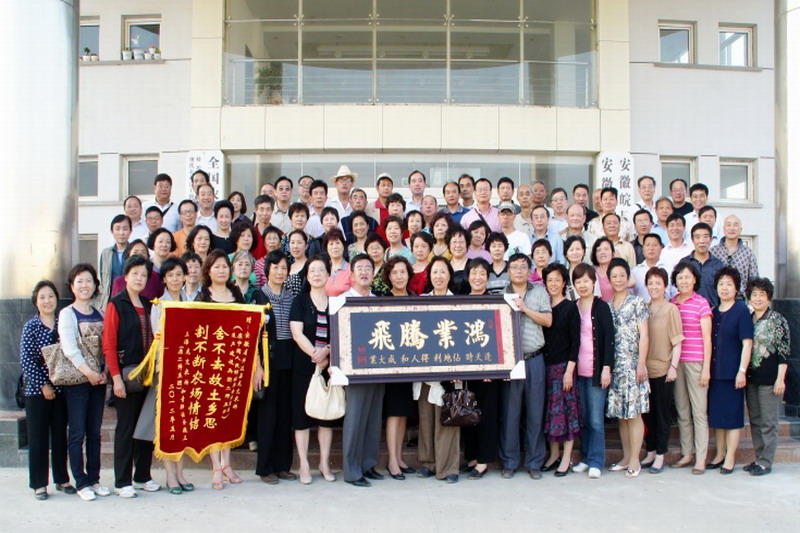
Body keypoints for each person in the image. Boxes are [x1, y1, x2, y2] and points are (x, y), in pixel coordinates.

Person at [133, 257, 194, 494]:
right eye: (171, 275)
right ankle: (170, 475)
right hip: (167, 369)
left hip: (188, 371)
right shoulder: (158, 305)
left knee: (182, 425)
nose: (175, 279)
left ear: (185, 277)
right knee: (167, 425)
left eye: (179, 274)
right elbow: (160, 338)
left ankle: (181, 473)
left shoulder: (191, 302)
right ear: (164, 279)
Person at [103, 256, 159, 498]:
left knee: (145, 426)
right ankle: (122, 480)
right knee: (125, 428)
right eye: (135, 273)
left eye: (143, 275)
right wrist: (116, 379)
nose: (139, 278)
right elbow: (109, 344)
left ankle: (142, 475)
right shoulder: (116, 304)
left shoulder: (148, 304)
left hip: (147, 376)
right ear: (125, 276)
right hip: (126, 376)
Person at [498, 254, 553, 480]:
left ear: (530, 271)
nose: (519, 271)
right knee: (510, 413)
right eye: (514, 267)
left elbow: (548, 321)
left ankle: (534, 462)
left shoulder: (539, 292)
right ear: (508, 271)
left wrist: (524, 308)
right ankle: (509, 461)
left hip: (534, 359)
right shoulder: (501, 294)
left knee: (535, 413)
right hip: (510, 361)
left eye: (523, 267)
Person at [58, 264, 110, 501]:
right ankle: (81, 482)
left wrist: (104, 372)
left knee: (94, 434)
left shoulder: (100, 313)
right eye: (79, 281)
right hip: (78, 381)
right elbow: (69, 348)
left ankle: (94, 479)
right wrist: (89, 373)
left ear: (95, 285)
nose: (84, 285)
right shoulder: (67, 314)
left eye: (88, 280)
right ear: (72, 286)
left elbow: (106, 346)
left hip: (98, 380)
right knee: (77, 433)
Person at [195, 250, 246, 490]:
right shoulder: (202, 296)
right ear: (208, 270)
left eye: (225, 266)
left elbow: (248, 327)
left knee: (228, 415)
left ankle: (227, 463)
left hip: (234, 362)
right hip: (209, 364)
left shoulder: (236, 294)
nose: (221, 270)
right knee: (212, 415)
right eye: (216, 266)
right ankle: (216, 466)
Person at [20, 280, 74, 500]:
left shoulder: (63, 323)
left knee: (60, 436)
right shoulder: (31, 327)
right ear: (36, 301)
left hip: (62, 389)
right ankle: (39, 484)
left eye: (51, 296)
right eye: (42, 297)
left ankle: (62, 479)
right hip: (37, 392)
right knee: (38, 438)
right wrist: (44, 386)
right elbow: (27, 361)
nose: (47, 301)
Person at [337, 254, 386, 487]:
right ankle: (352, 470)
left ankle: (368, 464)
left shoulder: (379, 301)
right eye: (360, 268)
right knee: (355, 419)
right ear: (352, 274)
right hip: (354, 370)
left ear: (373, 274)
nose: (365, 272)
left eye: (368, 268)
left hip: (377, 367)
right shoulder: (343, 300)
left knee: (373, 418)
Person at [290, 255, 339, 485]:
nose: (317, 274)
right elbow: (297, 333)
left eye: (321, 270)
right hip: (303, 366)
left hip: (329, 367)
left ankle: (324, 462)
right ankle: (304, 464)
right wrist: (315, 355)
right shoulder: (299, 301)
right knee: (302, 417)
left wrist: (327, 351)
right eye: (312, 271)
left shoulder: (335, 302)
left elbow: (340, 331)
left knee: (326, 416)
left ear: (328, 274)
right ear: (307, 276)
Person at [415, 256, 461, 484]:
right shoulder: (420, 302)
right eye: (435, 272)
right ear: (429, 276)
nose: (439, 276)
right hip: (425, 369)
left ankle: (448, 467)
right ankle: (428, 463)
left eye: (443, 272)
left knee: (448, 419)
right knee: (426, 418)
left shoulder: (459, 303)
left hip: (451, 371)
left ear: (450, 275)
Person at [253, 251, 297, 485]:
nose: (280, 272)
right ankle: (265, 467)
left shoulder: (291, 297)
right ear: (267, 269)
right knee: (267, 416)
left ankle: (282, 466)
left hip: (288, 360)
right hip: (267, 362)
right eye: (276, 267)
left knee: (284, 416)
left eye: (284, 268)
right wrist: (257, 366)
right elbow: (252, 335)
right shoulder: (258, 296)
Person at [605, 258, 650, 478]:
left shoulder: (637, 303)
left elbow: (645, 335)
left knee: (634, 414)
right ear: (609, 280)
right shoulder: (607, 306)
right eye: (614, 276)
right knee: (621, 415)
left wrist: (641, 363)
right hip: (615, 368)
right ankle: (625, 457)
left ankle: (635, 460)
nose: (618, 279)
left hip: (633, 366)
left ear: (628, 277)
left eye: (622, 275)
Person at [707, 267, 753, 474]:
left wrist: (742, 370)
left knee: (732, 418)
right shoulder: (714, 312)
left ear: (736, 288)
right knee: (717, 417)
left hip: (733, 373)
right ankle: (719, 454)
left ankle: (730, 457)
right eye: (721, 284)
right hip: (715, 373)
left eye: (729, 284)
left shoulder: (741, 311)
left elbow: (747, 343)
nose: (724, 288)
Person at [570, 264, 615, 479]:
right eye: (578, 281)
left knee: (596, 420)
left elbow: (609, 339)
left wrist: (607, 368)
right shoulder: (574, 307)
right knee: (584, 418)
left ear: (594, 283)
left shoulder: (601, 307)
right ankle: (586, 458)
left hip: (596, 372)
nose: (582, 285)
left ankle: (597, 460)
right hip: (578, 372)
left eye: (586, 281)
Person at [669, 262, 712, 474]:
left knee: (699, 412)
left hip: (696, 363)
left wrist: (706, 368)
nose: (684, 281)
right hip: (676, 363)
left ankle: (700, 459)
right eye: (680, 277)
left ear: (694, 279)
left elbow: (707, 338)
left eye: (687, 277)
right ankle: (687, 454)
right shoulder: (672, 303)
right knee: (682, 411)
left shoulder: (701, 303)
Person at [745, 278, 790, 476]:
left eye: (761, 294)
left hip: (771, 380)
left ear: (768, 297)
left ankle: (766, 462)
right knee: (755, 420)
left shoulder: (777, 319)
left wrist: (780, 379)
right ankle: (758, 458)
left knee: (769, 422)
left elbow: (784, 351)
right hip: (752, 379)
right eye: (754, 294)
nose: (757, 298)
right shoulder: (748, 318)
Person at [641, 267, 684, 474]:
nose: (654, 287)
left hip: (663, 370)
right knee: (648, 415)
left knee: (661, 415)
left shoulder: (671, 309)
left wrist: (673, 367)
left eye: (658, 283)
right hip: (645, 371)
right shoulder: (644, 308)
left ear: (665, 285)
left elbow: (677, 342)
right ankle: (650, 451)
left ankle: (660, 454)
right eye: (650, 283)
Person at [462, 258, 501, 479]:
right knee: (468, 413)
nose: (478, 278)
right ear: (468, 277)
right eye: (474, 273)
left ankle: (484, 460)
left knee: (486, 415)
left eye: (482, 274)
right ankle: (472, 456)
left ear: (488, 278)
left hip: (489, 371)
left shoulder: (495, 301)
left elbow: (501, 336)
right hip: (467, 369)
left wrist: (494, 369)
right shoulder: (460, 302)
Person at [540, 263, 579, 477]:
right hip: (545, 367)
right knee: (550, 413)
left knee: (567, 413)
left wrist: (569, 371)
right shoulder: (544, 307)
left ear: (564, 282)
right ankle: (554, 454)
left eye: (557, 279)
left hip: (564, 368)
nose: (553, 283)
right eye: (550, 280)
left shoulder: (570, 308)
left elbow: (575, 342)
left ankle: (566, 457)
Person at [381, 256, 417, 479]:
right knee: (394, 413)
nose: (399, 276)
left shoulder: (415, 298)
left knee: (404, 412)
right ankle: (392, 460)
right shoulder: (383, 300)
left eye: (403, 272)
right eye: (394, 273)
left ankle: (400, 456)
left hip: (410, 364)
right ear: (389, 276)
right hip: (391, 365)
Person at [710, 215, 760, 294]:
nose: (732, 228)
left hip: (740, 298)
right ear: (723, 229)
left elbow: (754, 281)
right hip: (718, 297)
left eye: (735, 225)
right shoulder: (713, 251)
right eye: (728, 225)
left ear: (740, 229)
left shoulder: (748, 253)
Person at [679, 222, 725, 307]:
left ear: (711, 239)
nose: (702, 241)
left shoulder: (718, 264)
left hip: (713, 310)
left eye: (705, 237)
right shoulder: (684, 263)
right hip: (689, 311)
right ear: (692, 240)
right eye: (697, 237)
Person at [99, 214, 132, 310]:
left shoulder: (134, 251)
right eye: (117, 229)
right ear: (112, 231)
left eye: (125, 229)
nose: (121, 233)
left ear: (130, 231)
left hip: (130, 300)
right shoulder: (106, 253)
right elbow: (103, 279)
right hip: (111, 300)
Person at [631, 234, 668, 303]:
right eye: (647, 245)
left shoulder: (669, 269)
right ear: (643, 249)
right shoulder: (635, 272)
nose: (651, 248)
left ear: (661, 248)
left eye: (655, 245)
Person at [324, 228, 351, 296]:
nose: (335, 247)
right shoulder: (323, 269)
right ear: (326, 248)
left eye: (338, 243)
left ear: (343, 246)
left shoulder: (351, 270)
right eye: (331, 244)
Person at [564, 235, 589, 301]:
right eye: (571, 250)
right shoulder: (564, 276)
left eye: (578, 249)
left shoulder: (591, 272)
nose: (574, 253)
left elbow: (596, 296)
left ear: (583, 251)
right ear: (566, 254)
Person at [590, 237, 615, 302]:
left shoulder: (617, 270)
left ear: (612, 253)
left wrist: (620, 261)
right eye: (599, 250)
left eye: (606, 249)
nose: (602, 252)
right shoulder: (591, 272)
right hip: (597, 307)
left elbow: (632, 282)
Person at [447, 226, 470, 294]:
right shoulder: (445, 266)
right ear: (449, 245)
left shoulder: (473, 265)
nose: (458, 245)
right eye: (454, 242)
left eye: (461, 242)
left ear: (467, 244)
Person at [409, 231, 434, 295]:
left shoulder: (433, 268)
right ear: (412, 249)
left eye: (423, 246)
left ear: (430, 249)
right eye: (416, 246)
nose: (419, 250)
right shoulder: (407, 269)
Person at [286, 230, 309, 297]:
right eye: (292, 242)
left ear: (306, 246)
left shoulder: (310, 266)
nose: (295, 246)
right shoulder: (287, 266)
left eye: (299, 243)